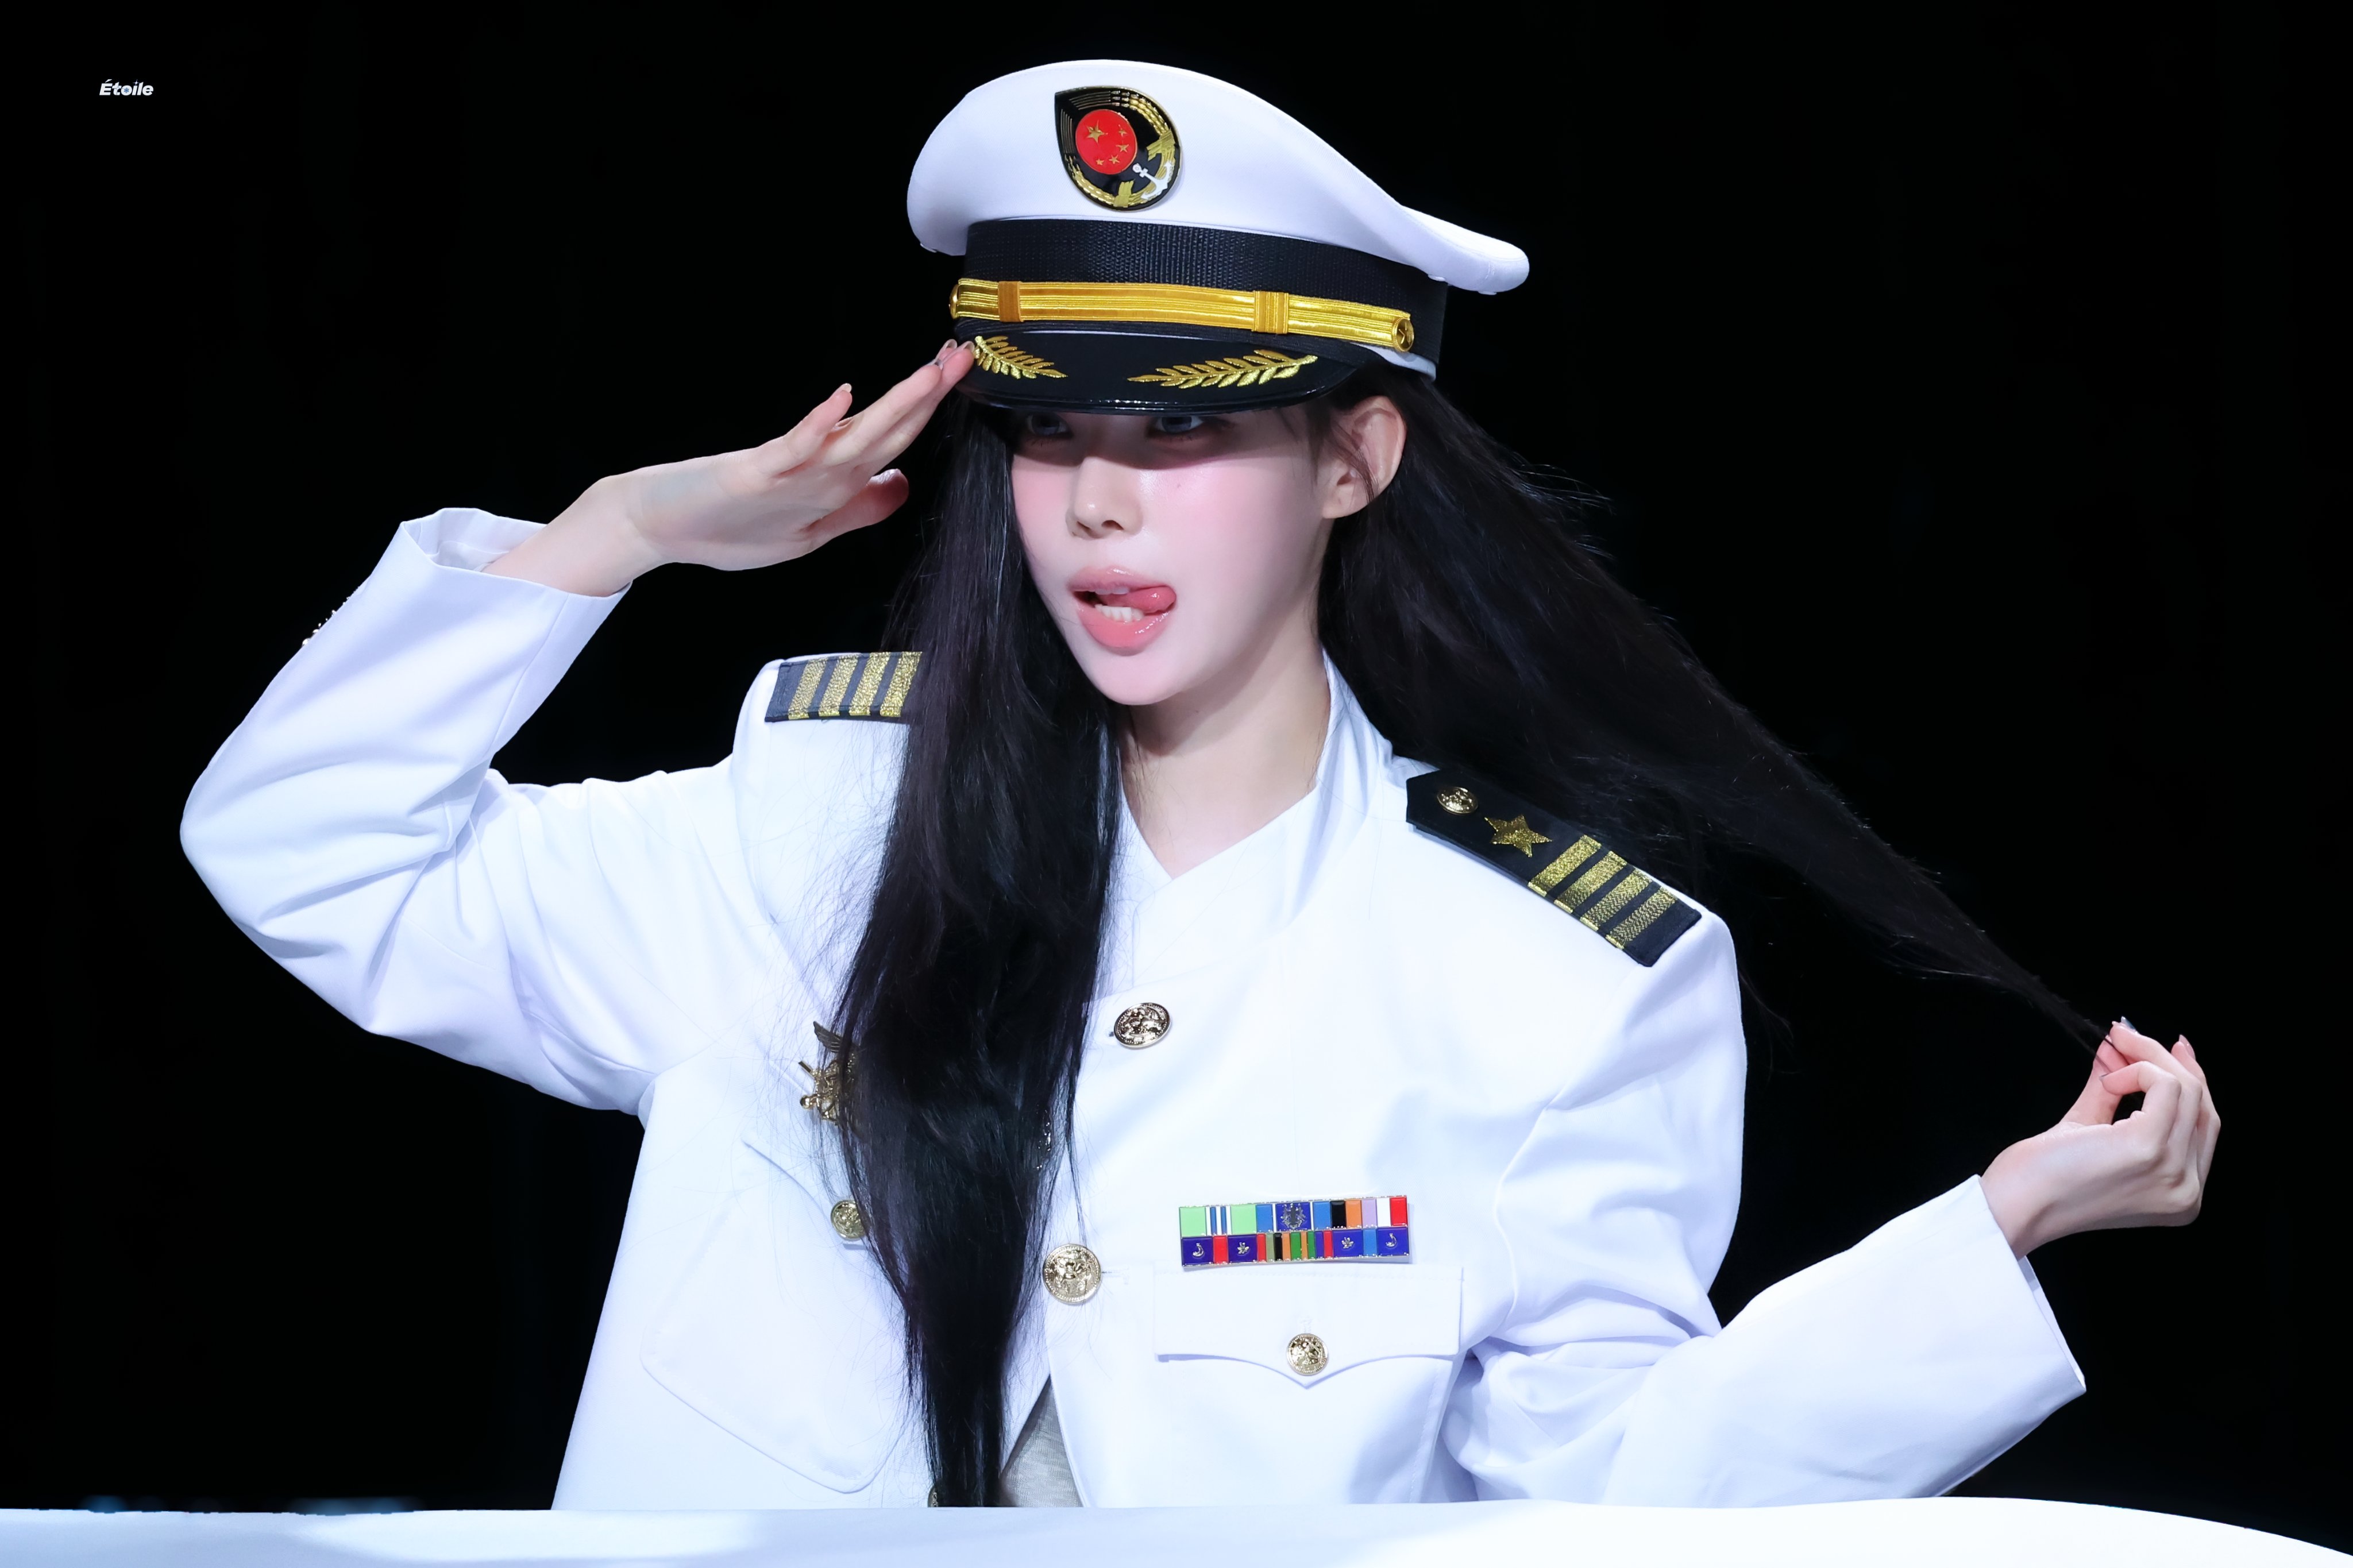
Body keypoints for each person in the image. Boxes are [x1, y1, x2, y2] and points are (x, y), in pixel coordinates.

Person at [181, 61, 2218, 1509]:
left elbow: (1604, 1503)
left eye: (1182, 432)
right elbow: (308, 853)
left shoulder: (1555, 978)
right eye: (1048, 426)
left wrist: (1995, 1231)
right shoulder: (807, 832)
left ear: (1354, 457)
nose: (1097, 502)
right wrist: (614, 534)